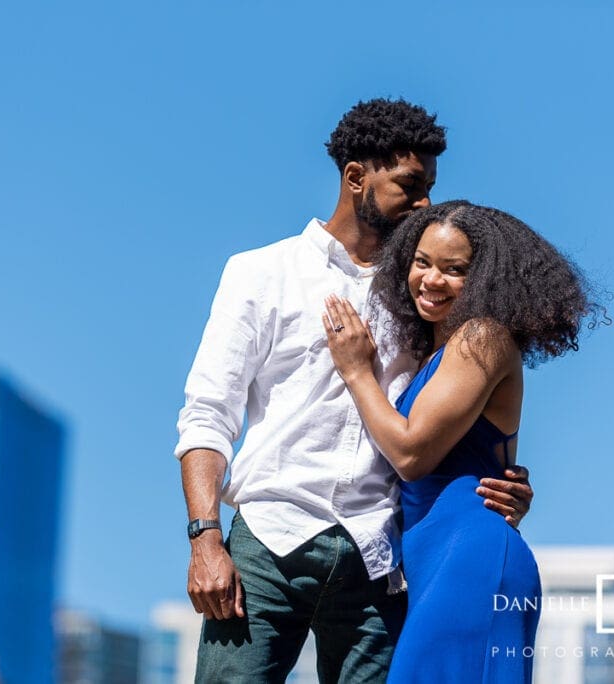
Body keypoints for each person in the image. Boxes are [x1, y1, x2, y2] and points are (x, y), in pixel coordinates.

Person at [175, 99, 535, 683]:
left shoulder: (426, 300)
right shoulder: (260, 272)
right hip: (267, 544)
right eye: (410, 186)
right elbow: (207, 416)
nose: (425, 204)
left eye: (430, 188)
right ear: (355, 178)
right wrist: (204, 537)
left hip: (379, 557)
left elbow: (465, 405)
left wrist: (502, 479)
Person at [323, 201, 603, 682]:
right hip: (435, 568)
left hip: (470, 562)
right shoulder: (437, 352)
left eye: (455, 270)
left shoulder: (483, 337)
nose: (432, 280)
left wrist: (355, 371)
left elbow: (412, 454)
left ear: (488, 280)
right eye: (422, 262)